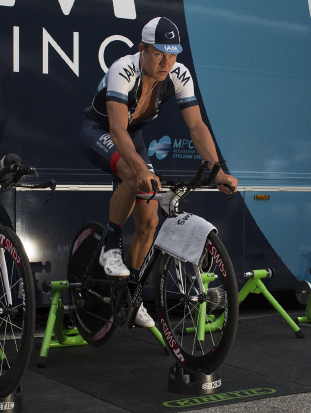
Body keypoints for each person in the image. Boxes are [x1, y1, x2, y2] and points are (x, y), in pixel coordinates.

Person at [80, 17, 238, 328]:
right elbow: (116, 128)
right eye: (158, 54)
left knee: (150, 220)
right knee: (132, 173)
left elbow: (196, 126)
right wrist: (140, 168)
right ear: (142, 49)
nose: (167, 62)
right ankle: (110, 248)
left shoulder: (178, 73)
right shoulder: (123, 69)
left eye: (173, 53)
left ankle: (131, 293)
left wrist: (217, 169)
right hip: (100, 130)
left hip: (132, 134)